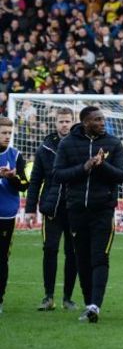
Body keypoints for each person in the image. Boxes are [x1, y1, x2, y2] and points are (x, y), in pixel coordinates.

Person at [51, 106, 123, 323]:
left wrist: (101, 166)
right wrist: (84, 167)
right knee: (81, 259)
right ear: (85, 122)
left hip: (103, 210)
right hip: (76, 211)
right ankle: (88, 303)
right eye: (97, 120)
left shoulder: (113, 143)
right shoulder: (67, 144)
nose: (102, 123)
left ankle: (95, 305)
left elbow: (121, 175)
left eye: (103, 119)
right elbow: (57, 175)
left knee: (99, 257)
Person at [25, 107, 78, 311]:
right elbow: (35, 180)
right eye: (61, 121)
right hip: (51, 209)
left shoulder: (79, 146)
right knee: (50, 249)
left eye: (67, 121)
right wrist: (30, 209)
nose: (64, 124)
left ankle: (68, 298)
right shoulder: (44, 148)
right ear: (55, 123)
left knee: (72, 253)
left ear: (73, 122)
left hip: (74, 208)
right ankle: (48, 297)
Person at [0, 117, 28, 315]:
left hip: (6, 216)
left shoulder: (16, 155)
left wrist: (13, 178)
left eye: (9, 133)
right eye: (3, 132)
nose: (7, 136)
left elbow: (25, 185)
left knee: (2, 259)